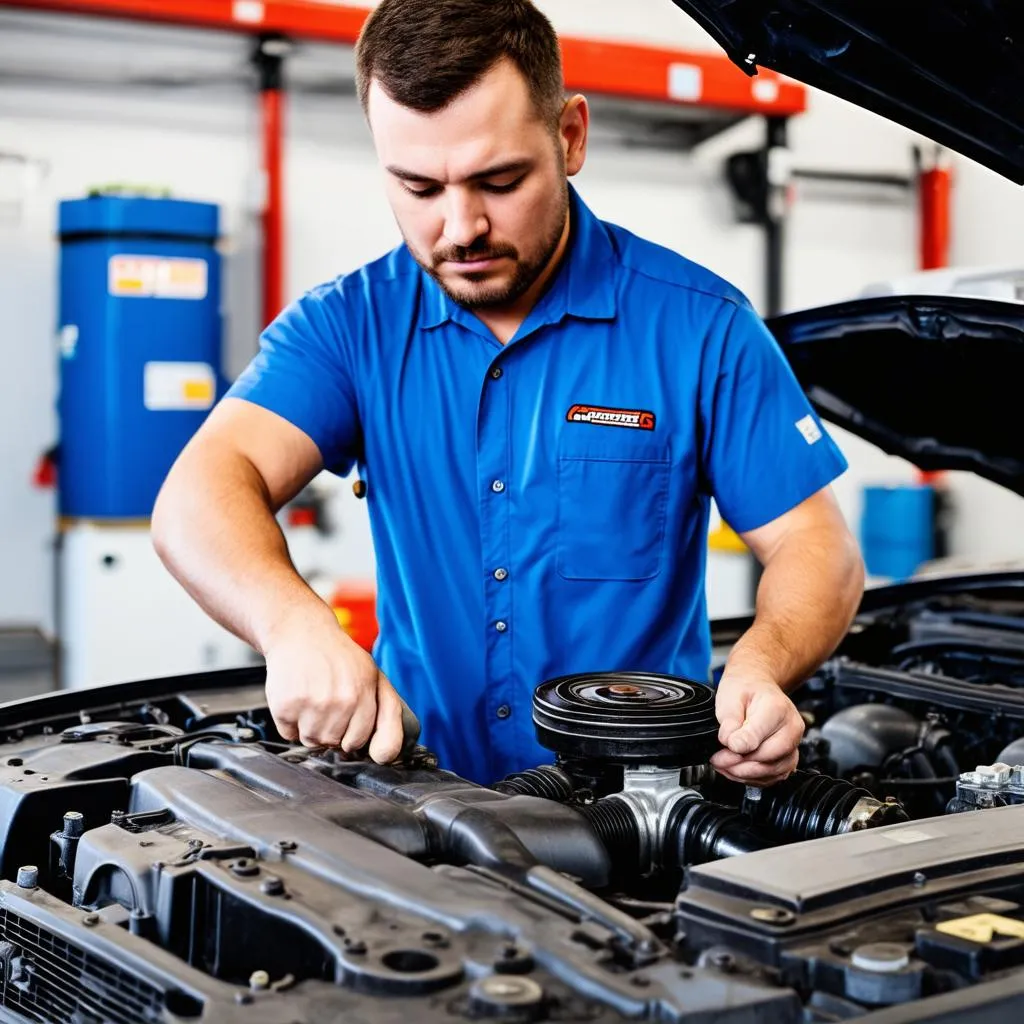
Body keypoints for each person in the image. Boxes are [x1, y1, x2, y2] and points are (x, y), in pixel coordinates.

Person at [152, 0, 865, 787]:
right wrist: (290, 625)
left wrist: (760, 668)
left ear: (570, 137)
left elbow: (815, 547)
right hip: (419, 806)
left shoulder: (702, 328)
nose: (460, 227)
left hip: (639, 815)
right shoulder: (349, 327)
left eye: (498, 180)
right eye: (418, 187)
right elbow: (200, 491)